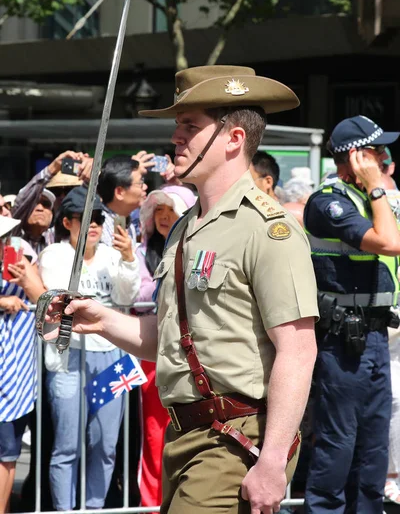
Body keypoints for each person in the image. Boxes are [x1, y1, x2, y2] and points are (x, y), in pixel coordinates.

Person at [46, 65, 318, 514]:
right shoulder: (186, 227)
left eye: (190, 127)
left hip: (236, 438)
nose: (176, 137)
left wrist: (271, 460)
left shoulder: (269, 230)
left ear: (233, 139)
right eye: (177, 126)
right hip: (185, 437)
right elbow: (172, 339)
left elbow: (298, 349)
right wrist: (101, 320)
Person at [303, 114, 400, 514]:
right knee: (337, 445)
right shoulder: (328, 201)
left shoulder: (369, 200)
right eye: (377, 152)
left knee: (374, 448)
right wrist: (378, 186)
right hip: (342, 342)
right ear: (356, 157)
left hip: (375, 339)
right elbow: (388, 243)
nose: (384, 159)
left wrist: (379, 189)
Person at [39, 186, 141, 511]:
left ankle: (95, 508)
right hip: (68, 356)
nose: (94, 225)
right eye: (85, 219)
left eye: (98, 218)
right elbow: (64, 296)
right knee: (67, 446)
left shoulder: (114, 255)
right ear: (68, 223)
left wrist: (128, 258)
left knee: (105, 444)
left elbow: (128, 297)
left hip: (113, 356)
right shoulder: (54, 254)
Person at [135, 184, 197, 510]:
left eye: (169, 210)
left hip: (193, 357)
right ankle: (151, 503)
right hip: (151, 357)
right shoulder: (142, 252)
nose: (163, 217)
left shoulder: (196, 247)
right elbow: (141, 294)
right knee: (153, 434)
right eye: (157, 210)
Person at [0, 215, 45, 514]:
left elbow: (46, 300)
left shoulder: (21, 257)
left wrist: (27, 281)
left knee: (6, 453)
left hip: (13, 374)